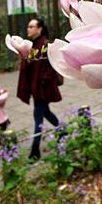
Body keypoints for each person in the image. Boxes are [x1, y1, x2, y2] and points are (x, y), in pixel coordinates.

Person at [16, 17, 61, 160]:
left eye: (32, 27)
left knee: (38, 116)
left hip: (42, 89)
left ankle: (35, 150)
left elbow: (53, 66)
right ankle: (63, 131)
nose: (28, 29)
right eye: (28, 26)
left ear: (40, 29)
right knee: (45, 112)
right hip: (36, 88)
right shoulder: (32, 45)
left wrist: (42, 80)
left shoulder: (45, 45)